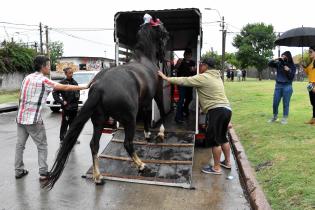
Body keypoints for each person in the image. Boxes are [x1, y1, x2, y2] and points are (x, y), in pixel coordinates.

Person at [15, 55, 88, 180]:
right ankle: (43, 173)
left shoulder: (26, 78)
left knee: (19, 146)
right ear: (43, 67)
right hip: (34, 120)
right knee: (42, 146)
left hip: (20, 118)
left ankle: (18, 171)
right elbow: (65, 87)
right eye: (48, 65)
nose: (50, 67)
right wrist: (85, 86)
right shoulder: (43, 80)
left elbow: (20, 96)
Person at [158, 58, 232, 175]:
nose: (199, 67)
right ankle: (227, 162)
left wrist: (166, 78)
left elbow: (184, 80)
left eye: (201, 65)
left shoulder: (203, 77)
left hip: (217, 111)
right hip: (226, 110)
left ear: (205, 66)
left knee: (215, 141)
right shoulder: (217, 77)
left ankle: (216, 168)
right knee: (223, 138)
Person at [53, 67, 80, 144]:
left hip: (74, 108)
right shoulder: (61, 83)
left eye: (72, 73)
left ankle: (73, 139)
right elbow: (54, 93)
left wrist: (76, 103)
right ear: (65, 74)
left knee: (74, 124)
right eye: (69, 73)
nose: (71, 74)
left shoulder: (75, 83)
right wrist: (61, 101)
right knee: (65, 124)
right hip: (66, 108)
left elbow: (78, 94)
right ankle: (62, 139)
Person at [268, 51, 296, 124]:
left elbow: (292, 77)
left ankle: (284, 118)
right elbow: (269, 63)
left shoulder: (292, 65)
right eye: (282, 56)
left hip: (287, 86)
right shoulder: (279, 64)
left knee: (285, 103)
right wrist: (277, 58)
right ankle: (275, 116)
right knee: (275, 102)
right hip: (278, 85)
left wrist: (289, 70)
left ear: (288, 56)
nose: (283, 58)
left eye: (284, 56)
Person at [173, 48, 196, 123]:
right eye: (187, 54)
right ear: (184, 55)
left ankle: (184, 109)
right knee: (181, 99)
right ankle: (178, 117)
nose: (188, 56)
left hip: (189, 82)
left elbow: (194, 71)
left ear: (191, 55)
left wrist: (194, 70)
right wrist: (178, 64)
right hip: (182, 83)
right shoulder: (180, 61)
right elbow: (175, 68)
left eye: (189, 54)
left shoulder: (193, 62)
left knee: (190, 98)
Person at [303, 46, 315, 124]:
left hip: (314, 84)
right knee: (313, 102)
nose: (309, 53)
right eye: (309, 52)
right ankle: (313, 119)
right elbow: (308, 73)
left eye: (311, 51)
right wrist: (304, 67)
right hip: (310, 84)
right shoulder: (311, 62)